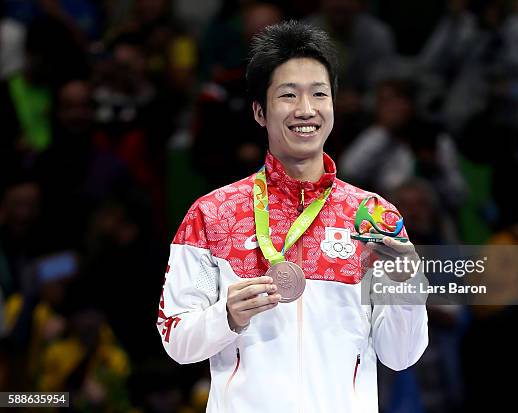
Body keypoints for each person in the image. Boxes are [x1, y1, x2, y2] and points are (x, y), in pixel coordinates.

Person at [156, 21, 428, 412]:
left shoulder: (373, 218)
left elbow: (399, 356)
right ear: (260, 112)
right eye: (288, 95)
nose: (306, 110)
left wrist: (406, 289)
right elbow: (176, 340)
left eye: (319, 94)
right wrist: (226, 316)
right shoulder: (211, 215)